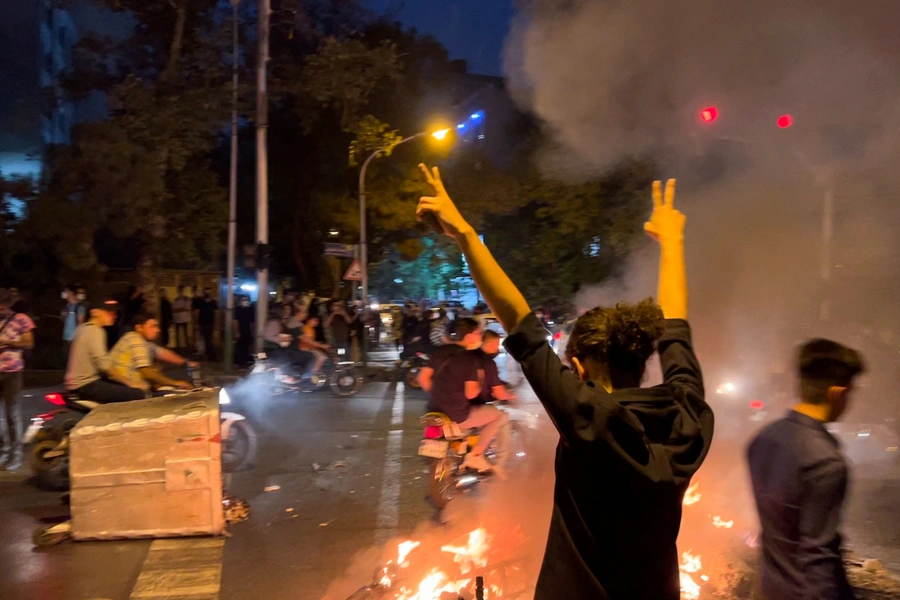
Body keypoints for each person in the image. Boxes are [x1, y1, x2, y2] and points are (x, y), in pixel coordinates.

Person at [415, 165, 713, 599]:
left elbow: (517, 320)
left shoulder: (587, 417)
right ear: (644, 357)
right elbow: (676, 331)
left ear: (578, 364)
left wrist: (463, 233)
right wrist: (673, 243)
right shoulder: (687, 418)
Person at [747, 339, 865, 600]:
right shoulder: (826, 462)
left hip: (768, 590)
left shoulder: (762, 440)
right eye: (850, 391)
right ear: (837, 392)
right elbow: (817, 560)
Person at [418, 318, 508, 472]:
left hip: (434, 409)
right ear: (468, 337)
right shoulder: (469, 358)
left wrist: (440, 393)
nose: (480, 336)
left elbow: (422, 378)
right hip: (457, 414)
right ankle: (476, 455)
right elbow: (471, 393)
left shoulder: (440, 351)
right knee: (498, 416)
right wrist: (480, 380)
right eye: (478, 333)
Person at [65, 299, 147, 403]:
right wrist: (130, 382)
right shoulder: (96, 331)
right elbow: (104, 365)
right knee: (138, 394)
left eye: (114, 313)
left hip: (77, 384)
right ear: (94, 312)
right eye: (108, 312)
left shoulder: (81, 329)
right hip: (86, 385)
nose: (114, 316)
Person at [109, 312, 197, 392]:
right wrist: (176, 383)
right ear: (139, 328)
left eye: (157, 326)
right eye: (153, 326)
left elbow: (163, 353)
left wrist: (186, 362)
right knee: (180, 381)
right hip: (126, 387)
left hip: (133, 384)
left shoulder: (142, 340)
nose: (158, 330)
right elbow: (148, 374)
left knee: (167, 372)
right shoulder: (136, 340)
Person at [0, 288, 36, 471]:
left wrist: (8, 343)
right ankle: (4, 452)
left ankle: (16, 455)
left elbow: (29, 342)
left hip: (13, 371)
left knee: (12, 413)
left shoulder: (21, 319)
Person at [61, 284, 87, 360]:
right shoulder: (66, 307)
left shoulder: (79, 307)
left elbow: (80, 323)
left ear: (72, 293)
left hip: (74, 339)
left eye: (66, 292)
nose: (65, 295)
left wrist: (77, 338)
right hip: (65, 338)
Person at [197, 288, 219, 361]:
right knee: (206, 339)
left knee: (209, 339)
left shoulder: (213, 302)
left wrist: (216, 323)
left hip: (210, 323)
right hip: (203, 322)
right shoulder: (200, 301)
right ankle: (209, 353)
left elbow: (216, 313)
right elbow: (198, 312)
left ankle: (212, 354)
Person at [233, 295, 255, 366]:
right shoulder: (237, 309)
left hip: (247, 330)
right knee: (240, 347)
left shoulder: (251, 309)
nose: (244, 301)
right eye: (243, 300)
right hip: (240, 330)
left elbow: (252, 322)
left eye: (246, 300)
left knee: (246, 346)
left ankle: (245, 361)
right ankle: (239, 362)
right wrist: (236, 332)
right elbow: (236, 321)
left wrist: (252, 331)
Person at [172, 285, 192, 351]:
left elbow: (188, 308)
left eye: (182, 290)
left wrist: (181, 309)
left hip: (184, 319)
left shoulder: (186, 299)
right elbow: (174, 310)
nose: (181, 292)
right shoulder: (176, 300)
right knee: (178, 334)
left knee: (185, 333)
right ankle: (178, 347)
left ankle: (187, 346)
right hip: (177, 319)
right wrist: (182, 309)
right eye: (180, 291)